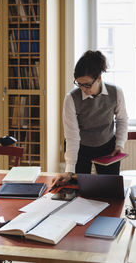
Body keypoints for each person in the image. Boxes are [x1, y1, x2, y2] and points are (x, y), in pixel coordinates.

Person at [51, 50, 128, 187]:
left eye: (87, 84)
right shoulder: (71, 99)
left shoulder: (115, 92)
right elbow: (72, 136)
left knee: (110, 190)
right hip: (81, 148)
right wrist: (69, 170)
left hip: (108, 146)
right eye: (79, 84)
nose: (83, 89)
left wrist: (120, 144)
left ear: (99, 78)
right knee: (80, 190)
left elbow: (122, 120)